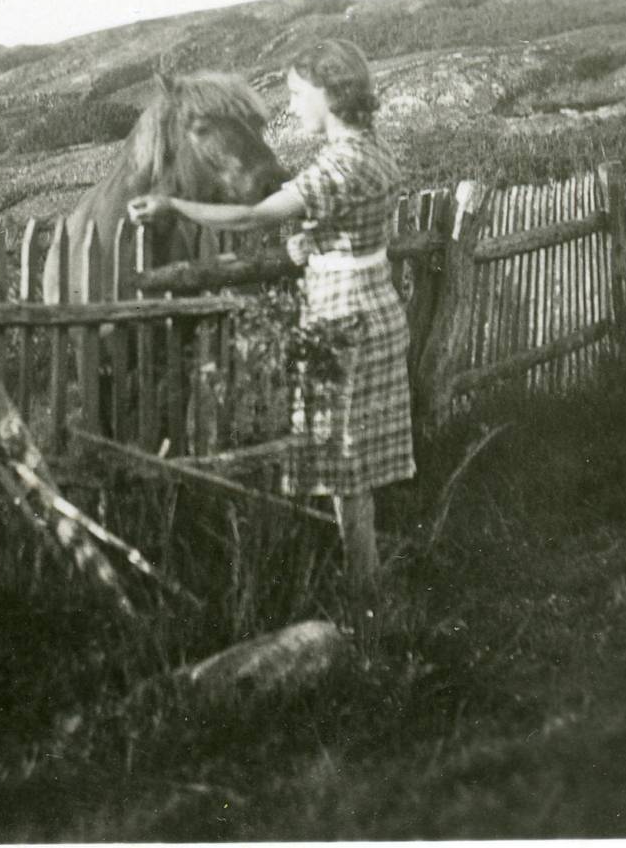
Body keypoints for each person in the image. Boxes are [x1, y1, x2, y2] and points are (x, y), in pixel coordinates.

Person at [127, 38, 416, 594]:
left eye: (299, 94)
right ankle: (366, 572)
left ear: (330, 94)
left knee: (343, 459)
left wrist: (174, 204)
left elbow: (252, 215)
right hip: (376, 303)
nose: (293, 106)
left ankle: (363, 586)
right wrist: (318, 244)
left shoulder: (337, 165)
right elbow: (360, 225)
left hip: (342, 317)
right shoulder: (374, 150)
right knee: (358, 458)